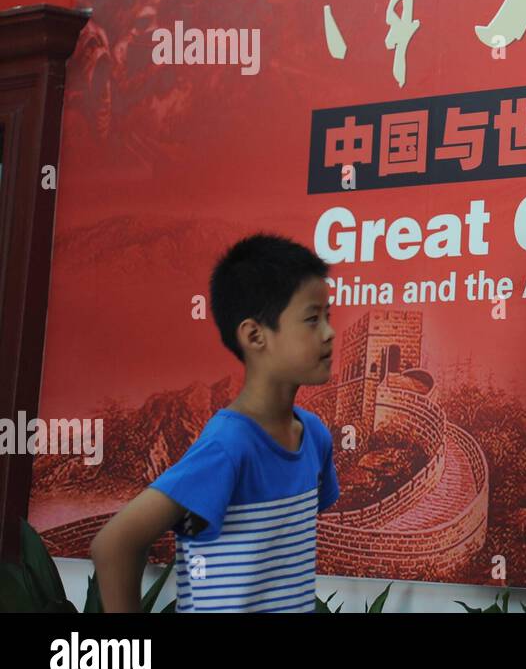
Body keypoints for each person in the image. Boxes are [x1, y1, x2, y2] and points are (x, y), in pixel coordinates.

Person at [90, 234, 340, 612]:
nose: (328, 332)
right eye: (311, 319)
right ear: (255, 335)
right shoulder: (229, 446)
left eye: (327, 317)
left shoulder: (315, 437)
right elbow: (114, 545)